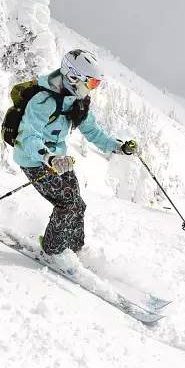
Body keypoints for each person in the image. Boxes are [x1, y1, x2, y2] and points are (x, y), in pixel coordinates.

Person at [12, 49, 138, 255]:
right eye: (91, 83)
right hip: (34, 160)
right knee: (67, 204)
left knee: (78, 205)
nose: (93, 89)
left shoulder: (76, 102)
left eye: (96, 84)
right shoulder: (43, 101)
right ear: (73, 77)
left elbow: (94, 132)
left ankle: (73, 249)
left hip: (59, 160)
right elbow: (28, 138)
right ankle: (53, 251)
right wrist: (48, 157)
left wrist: (119, 147)